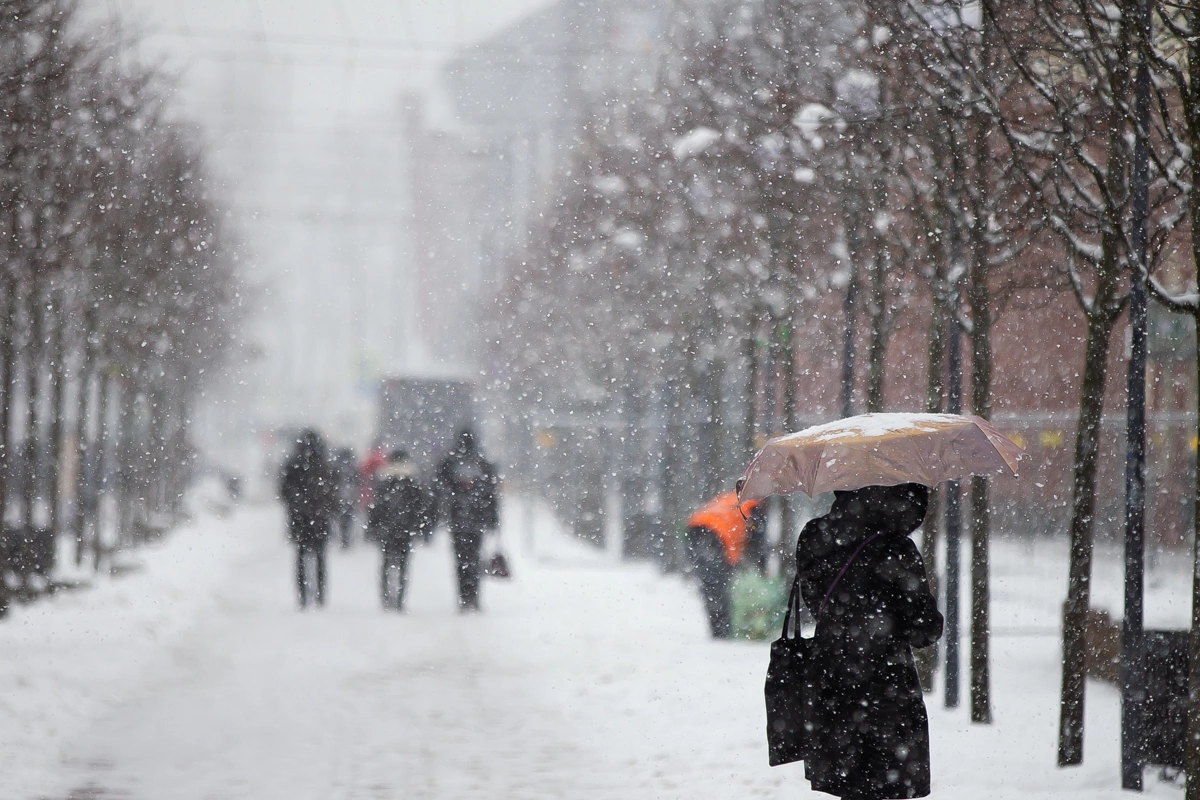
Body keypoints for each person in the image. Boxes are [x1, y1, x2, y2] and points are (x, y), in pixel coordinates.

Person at [796, 483, 943, 800]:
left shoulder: (814, 535)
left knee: (849, 784)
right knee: (882, 783)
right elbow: (924, 630)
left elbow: (815, 603)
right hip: (885, 689)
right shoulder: (895, 547)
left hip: (830, 681)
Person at [685, 491, 766, 639]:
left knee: (710, 585)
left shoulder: (735, 498)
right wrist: (762, 569)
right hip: (715, 534)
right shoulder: (753, 506)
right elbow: (757, 542)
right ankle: (722, 632)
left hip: (694, 528)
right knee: (718, 586)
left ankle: (718, 629)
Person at [435, 428, 499, 611]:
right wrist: (492, 519)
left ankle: (463, 596)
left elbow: (440, 486)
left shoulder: (450, 462)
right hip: (476, 519)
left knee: (460, 559)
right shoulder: (481, 463)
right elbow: (491, 494)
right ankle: (474, 596)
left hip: (457, 519)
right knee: (475, 558)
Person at [279, 430, 336, 609]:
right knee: (320, 557)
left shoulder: (293, 464)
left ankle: (303, 595)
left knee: (301, 556)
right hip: (320, 518)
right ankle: (319, 595)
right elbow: (333, 493)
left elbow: (284, 491)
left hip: (300, 518)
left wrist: (296, 505)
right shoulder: (324, 465)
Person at [366, 450, 430, 610]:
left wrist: (373, 527)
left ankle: (386, 596)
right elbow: (420, 506)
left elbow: (377, 507)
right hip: (405, 529)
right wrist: (420, 527)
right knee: (403, 564)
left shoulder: (384, 480)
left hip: (387, 528)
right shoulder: (412, 480)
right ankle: (400, 598)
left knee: (386, 562)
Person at [330, 446, 359, 548]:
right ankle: (345, 538)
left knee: (340, 519)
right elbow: (357, 481)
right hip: (350, 497)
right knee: (348, 520)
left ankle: (343, 538)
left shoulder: (336, 467)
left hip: (339, 497)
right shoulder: (353, 467)